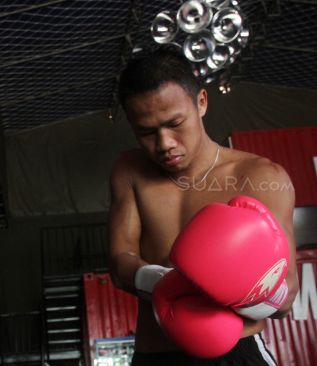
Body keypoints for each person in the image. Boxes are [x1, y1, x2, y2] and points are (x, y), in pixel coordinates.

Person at [108, 47, 299, 365]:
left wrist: (232, 288)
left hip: (236, 352)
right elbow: (119, 261)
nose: (165, 143)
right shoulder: (128, 171)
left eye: (175, 123)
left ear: (201, 102)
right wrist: (164, 281)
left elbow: (286, 296)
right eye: (146, 131)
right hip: (156, 354)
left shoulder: (261, 176)